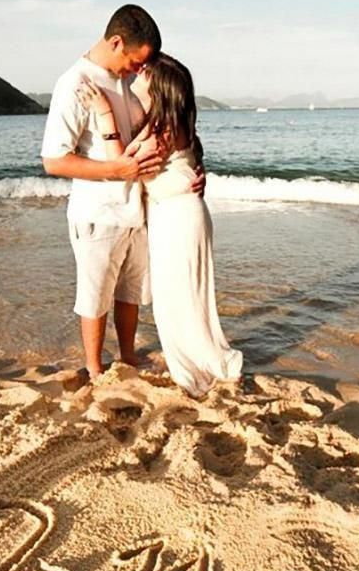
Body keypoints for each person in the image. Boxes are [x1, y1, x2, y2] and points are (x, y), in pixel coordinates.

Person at [41, 4, 204, 378]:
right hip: (98, 213)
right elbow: (54, 161)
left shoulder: (129, 81)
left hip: (140, 210)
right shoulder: (76, 83)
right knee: (95, 295)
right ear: (116, 42)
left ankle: (127, 357)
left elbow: (169, 123)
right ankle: (95, 369)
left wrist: (193, 168)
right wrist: (118, 169)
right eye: (136, 60)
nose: (139, 69)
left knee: (130, 293)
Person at [77, 53, 243, 398]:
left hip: (179, 219)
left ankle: (208, 366)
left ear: (160, 88)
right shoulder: (166, 124)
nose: (140, 71)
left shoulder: (162, 129)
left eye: (146, 71)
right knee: (184, 298)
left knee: (181, 299)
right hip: (177, 216)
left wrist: (105, 113)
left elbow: (122, 166)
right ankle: (203, 362)